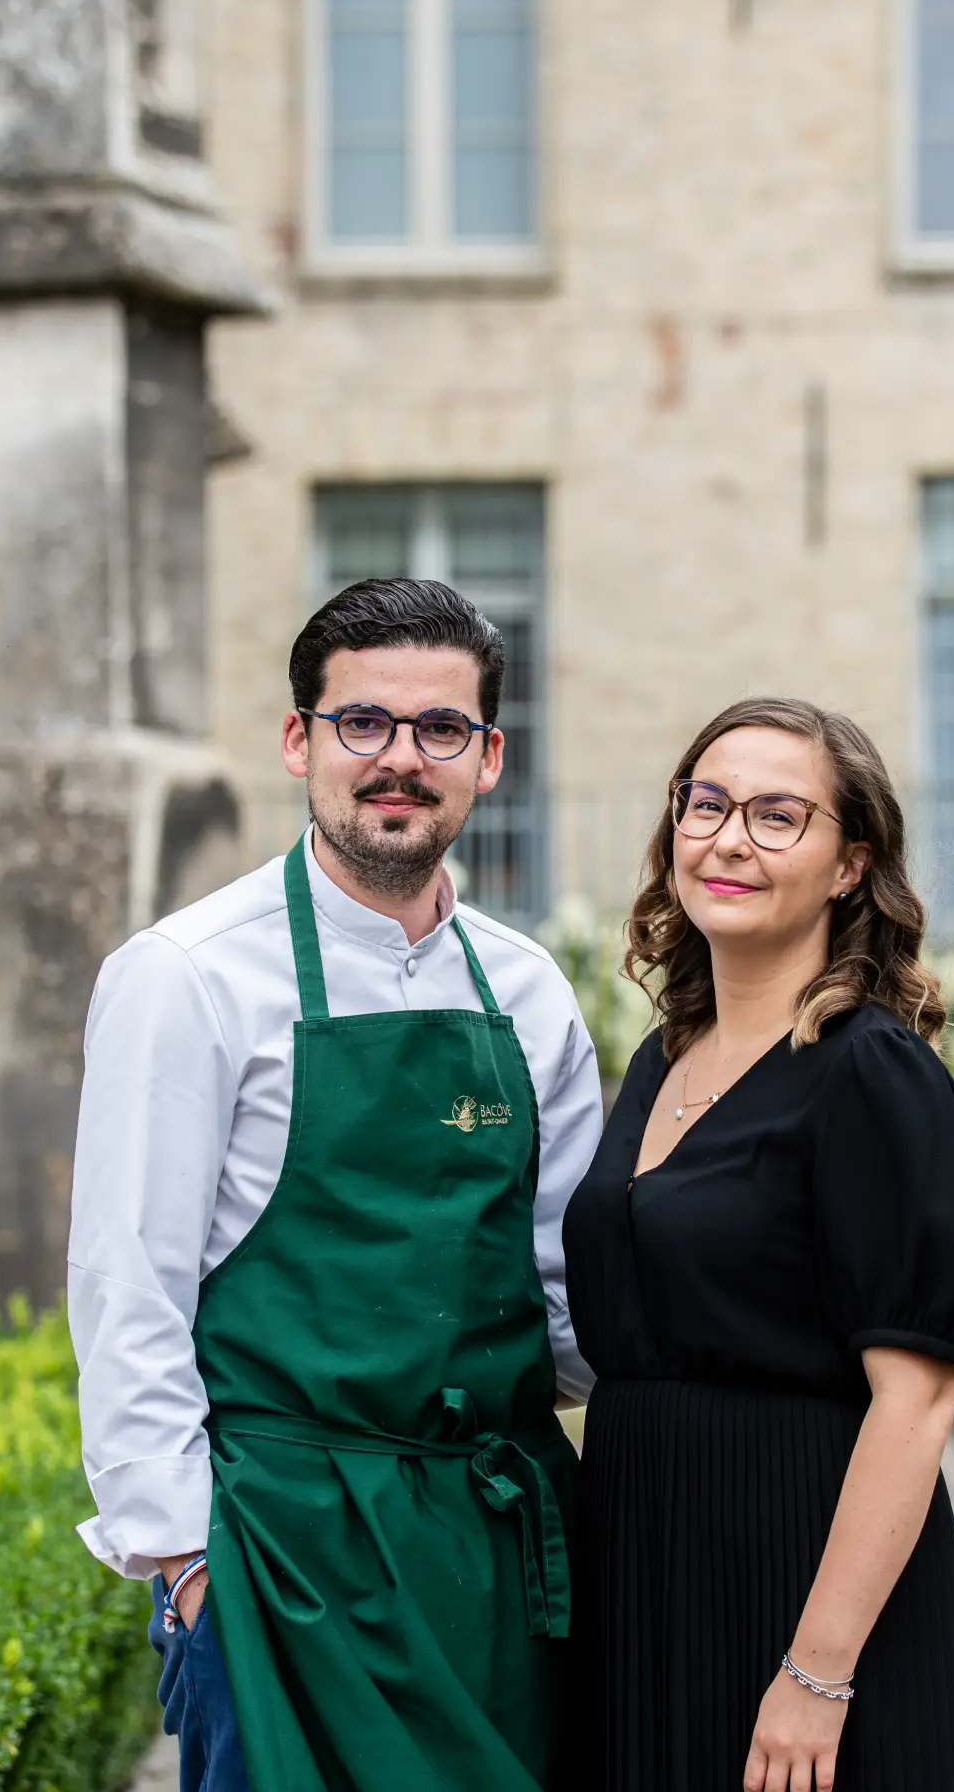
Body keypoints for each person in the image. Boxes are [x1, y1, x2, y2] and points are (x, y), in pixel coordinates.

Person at [68, 578, 602, 1792]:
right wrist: (189, 1569)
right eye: (364, 722)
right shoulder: (187, 979)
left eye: (441, 730)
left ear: (490, 757)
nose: (400, 759)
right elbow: (125, 1292)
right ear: (300, 738)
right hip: (281, 1561)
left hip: (495, 1561)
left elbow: (565, 1312)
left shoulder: (529, 994)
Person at [563, 696, 954, 1792]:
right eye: (706, 804)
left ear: (850, 866)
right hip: (644, 1560)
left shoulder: (873, 1073)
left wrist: (818, 1670)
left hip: (798, 1565)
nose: (729, 837)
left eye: (777, 815)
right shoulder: (666, 1055)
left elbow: (919, 1399)